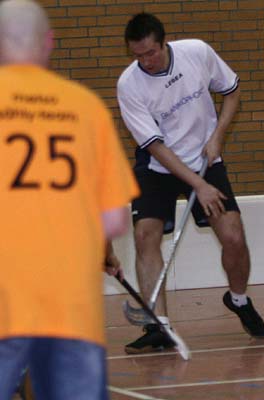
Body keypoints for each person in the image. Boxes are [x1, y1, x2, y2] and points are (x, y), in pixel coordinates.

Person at [0, 0, 139, 398]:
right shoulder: (86, 108)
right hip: (72, 307)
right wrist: (102, 251)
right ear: (48, 42)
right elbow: (113, 220)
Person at [117, 12, 264, 354]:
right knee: (145, 235)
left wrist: (217, 136)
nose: (146, 61)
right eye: (138, 56)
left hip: (205, 158)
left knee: (233, 236)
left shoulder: (197, 52)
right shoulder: (129, 85)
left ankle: (239, 299)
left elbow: (232, 92)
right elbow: (155, 146)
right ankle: (159, 325)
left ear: (164, 43)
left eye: (151, 53)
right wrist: (197, 187)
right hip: (158, 166)